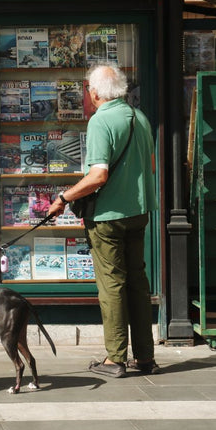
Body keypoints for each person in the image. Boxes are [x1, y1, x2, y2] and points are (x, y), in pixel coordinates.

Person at [45, 63, 159, 377]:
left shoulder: (100, 122)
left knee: (111, 285)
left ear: (94, 92)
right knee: (137, 283)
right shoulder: (141, 118)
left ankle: (116, 358)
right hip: (138, 212)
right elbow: (149, 165)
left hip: (108, 216)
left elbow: (98, 175)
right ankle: (146, 357)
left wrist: (64, 198)